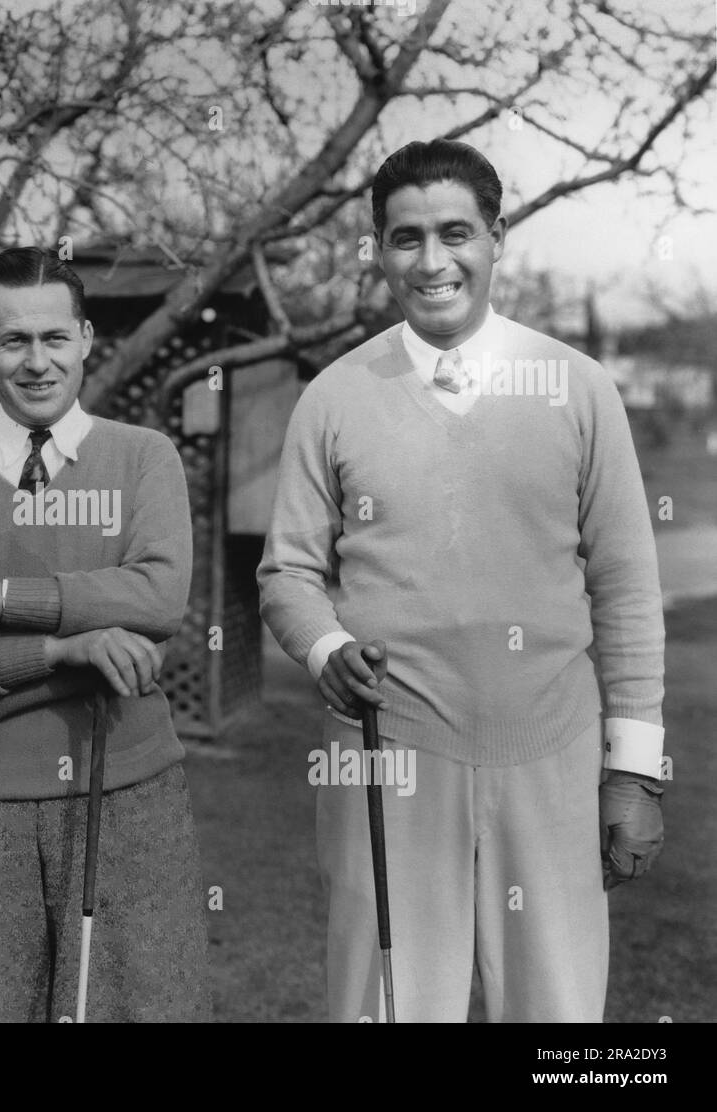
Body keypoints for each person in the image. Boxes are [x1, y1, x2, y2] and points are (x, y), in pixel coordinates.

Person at [257, 139, 666, 1022]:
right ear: (377, 249)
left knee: (558, 1024)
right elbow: (288, 570)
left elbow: (628, 587)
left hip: (551, 752)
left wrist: (634, 773)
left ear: (496, 237)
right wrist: (326, 646)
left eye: (455, 233)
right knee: (388, 1007)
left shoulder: (579, 386)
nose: (432, 262)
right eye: (406, 238)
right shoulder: (333, 395)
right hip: (385, 751)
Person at [0, 247, 207, 1021]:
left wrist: (0, 599)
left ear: (87, 338)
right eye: (16, 341)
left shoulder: (143, 458)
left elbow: (160, 596)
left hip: (124, 790)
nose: (37, 362)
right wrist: (69, 647)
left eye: (55, 338)